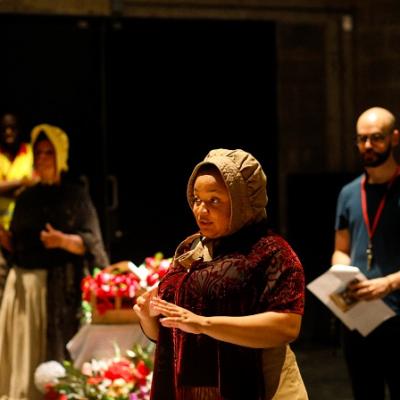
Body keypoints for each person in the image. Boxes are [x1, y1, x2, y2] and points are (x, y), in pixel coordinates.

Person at [134, 148, 308, 400]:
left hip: (260, 387)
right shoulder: (190, 249)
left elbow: (287, 326)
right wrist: (148, 316)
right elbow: (173, 333)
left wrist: (204, 324)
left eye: (214, 200)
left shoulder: (271, 252)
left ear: (242, 201)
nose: (200, 211)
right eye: (196, 199)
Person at [0, 123, 109, 400]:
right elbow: (16, 245)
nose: (43, 158)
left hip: (62, 286)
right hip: (26, 287)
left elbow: (92, 242)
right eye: (39, 152)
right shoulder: (26, 199)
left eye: (49, 152)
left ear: (60, 155)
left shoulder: (75, 195)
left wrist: (62, 240)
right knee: (25, 355)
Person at [332, 106, 400, 400]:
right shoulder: (348, 193)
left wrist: (389, 283)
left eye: (376, 138)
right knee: (364, 393)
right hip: (359, 316)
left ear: (394, 138)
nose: (368, 146)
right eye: (362, 139)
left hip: (398, 315)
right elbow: (340, 250)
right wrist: (344, 275)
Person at [0, 112, 36, 303]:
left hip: (26, 232)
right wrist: (22, 182)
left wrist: (6, 187)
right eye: (4, 128)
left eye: (12, 127)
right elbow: (27, 183)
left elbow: (36, 183)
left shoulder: (31, 151)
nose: (8, 132)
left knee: (23, 295)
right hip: (1, 232)